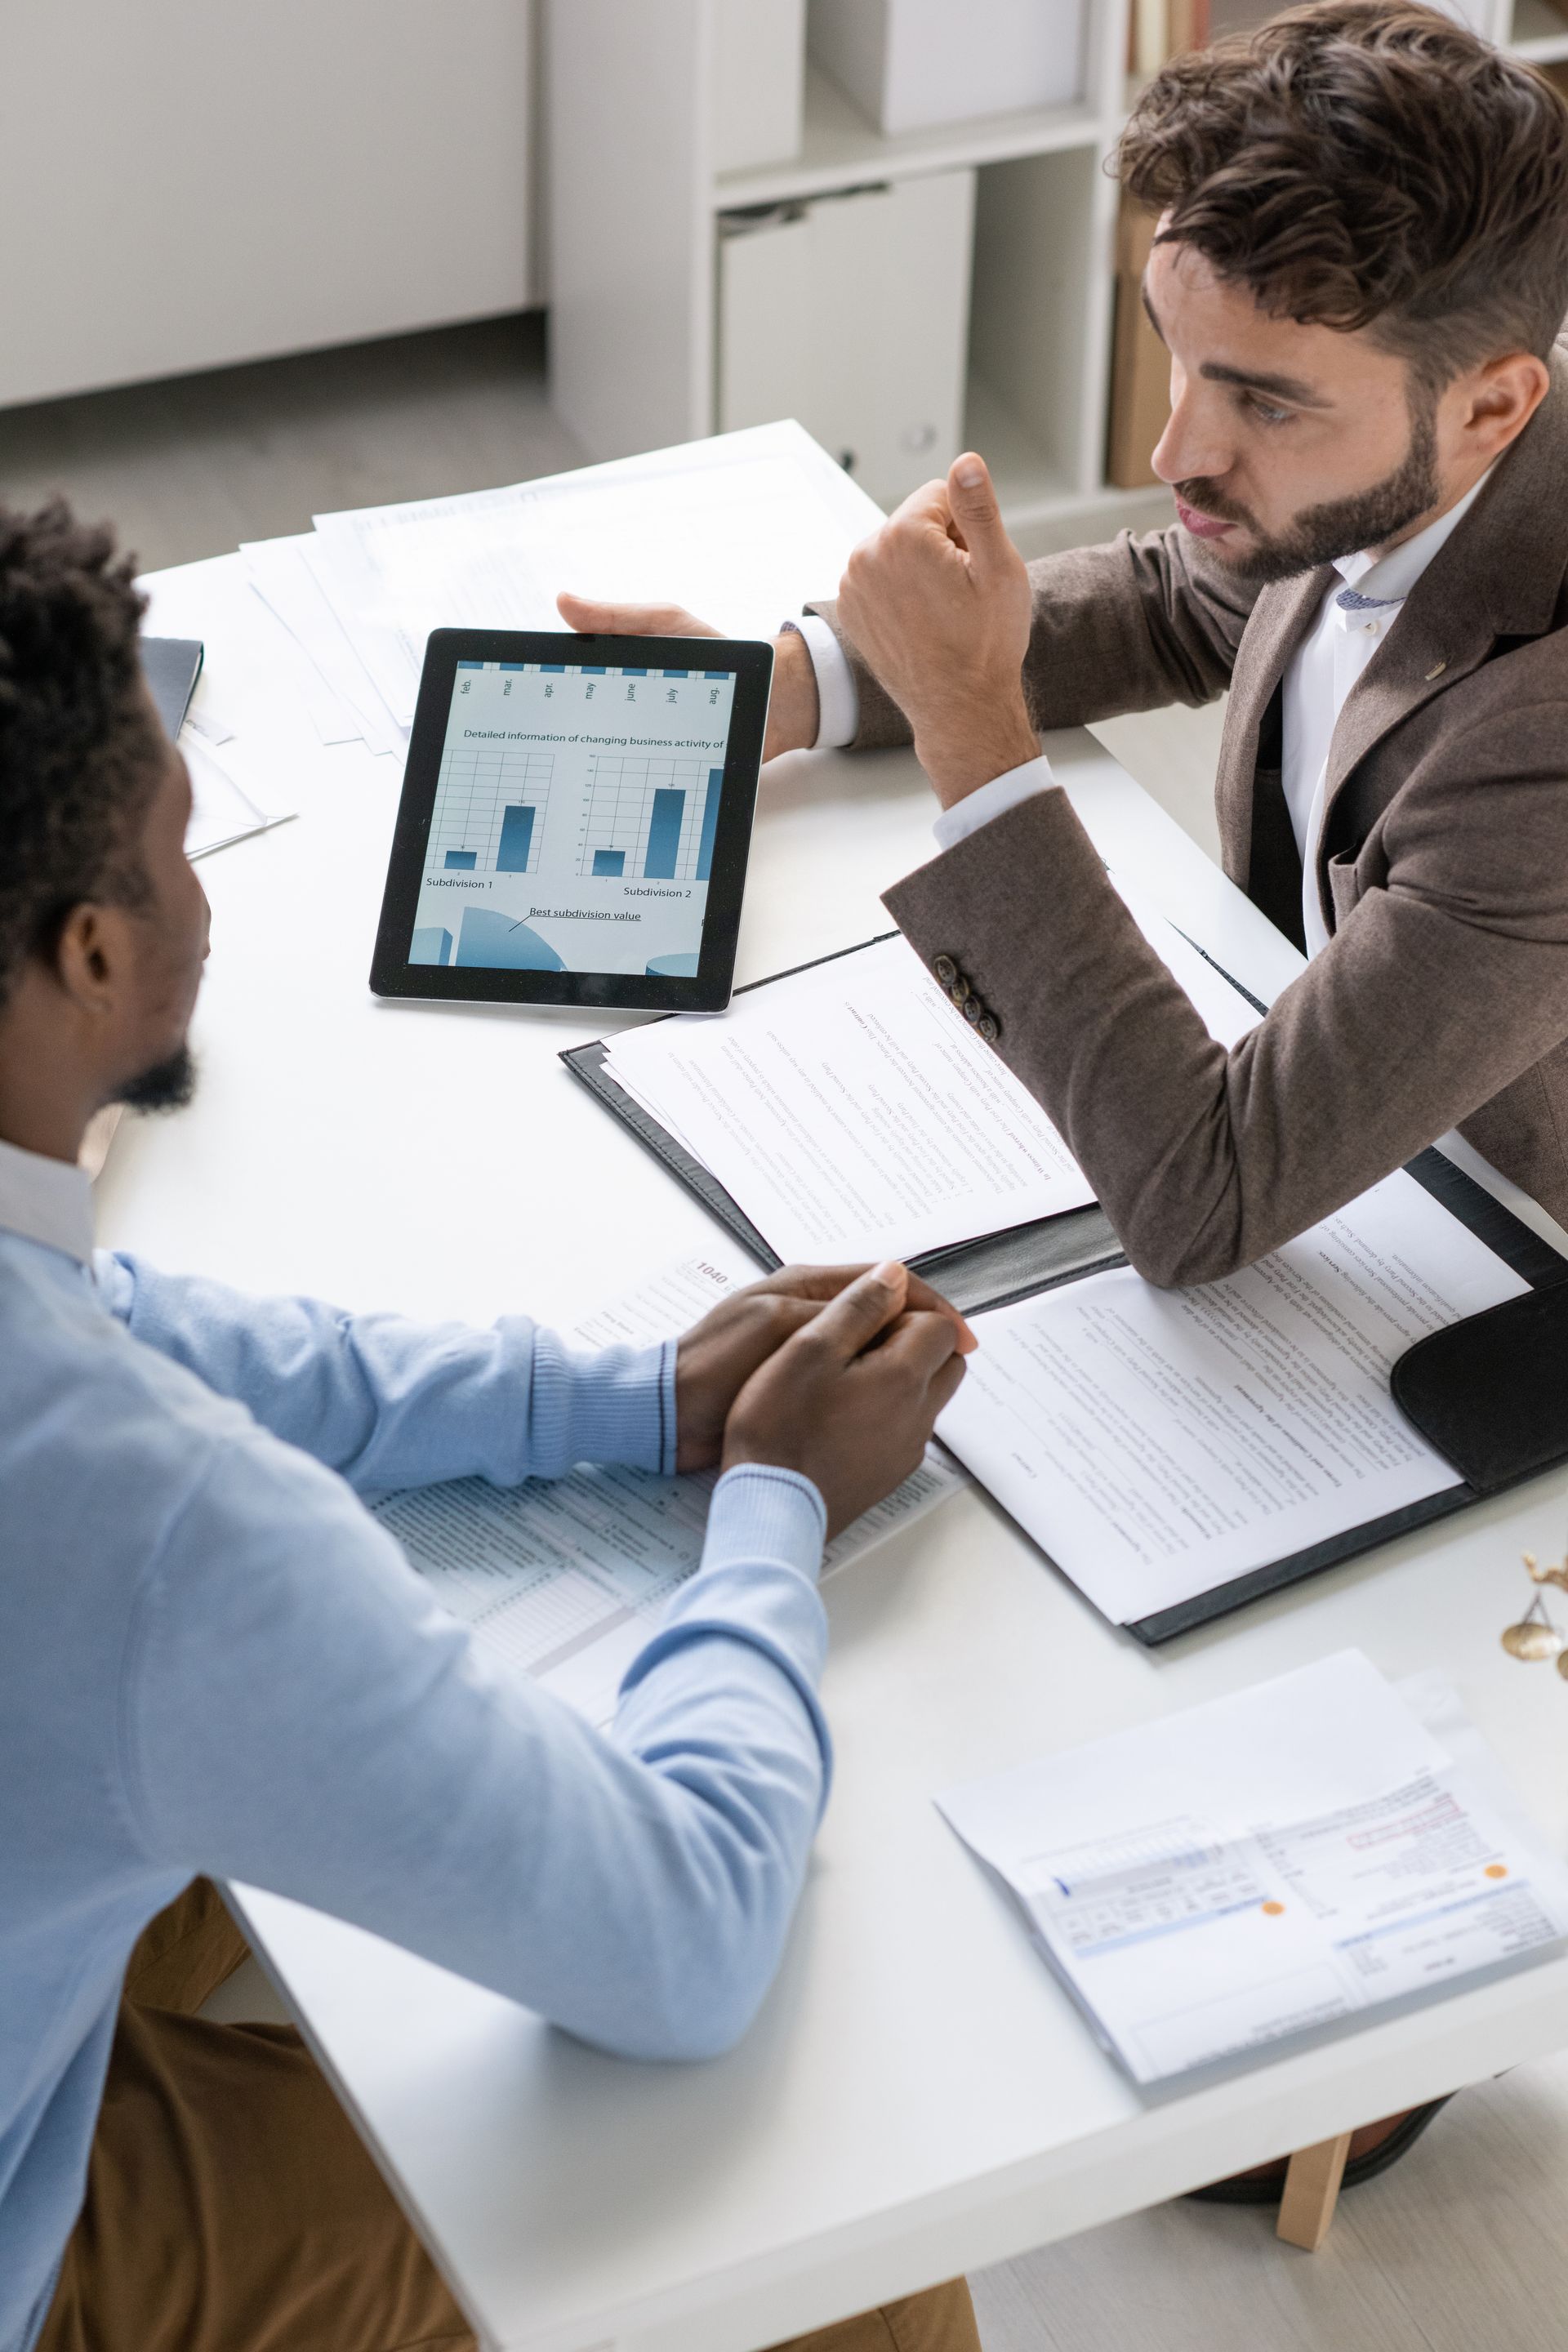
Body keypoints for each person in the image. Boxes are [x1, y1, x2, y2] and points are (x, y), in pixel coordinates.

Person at [0, 497, 977, 2352]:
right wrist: (772, 1503)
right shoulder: (157, 1530)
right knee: (836, 2230)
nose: (209, 906)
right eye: (178, 850)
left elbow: (123, 1320)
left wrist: (619, 1398)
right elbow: (682, 1935)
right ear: (92, 956)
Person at [562, 0, 1568, 1294]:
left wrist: (970, 726)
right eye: (1177, 357)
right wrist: (804, 685)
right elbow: (1187, 599)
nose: (1173, 457)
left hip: (1498, 1255)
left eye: (1263, 401)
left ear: (1494, 403)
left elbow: (1204, 1196)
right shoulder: (1400, 457)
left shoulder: (1541, 754)